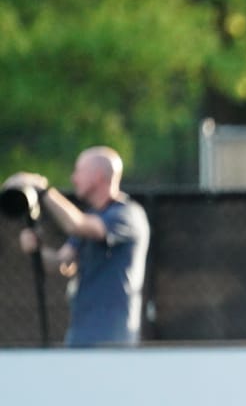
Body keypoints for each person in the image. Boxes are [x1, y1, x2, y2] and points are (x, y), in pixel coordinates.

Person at [3, 146, 151, 347]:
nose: (74, 178)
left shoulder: (126, 215)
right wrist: (37, 249)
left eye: (79, 171)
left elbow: (76, 224)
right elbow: (60, 263)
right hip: (80, 333)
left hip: (112, 336)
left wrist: (43, 189)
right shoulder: (93, 217)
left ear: (98, 176)